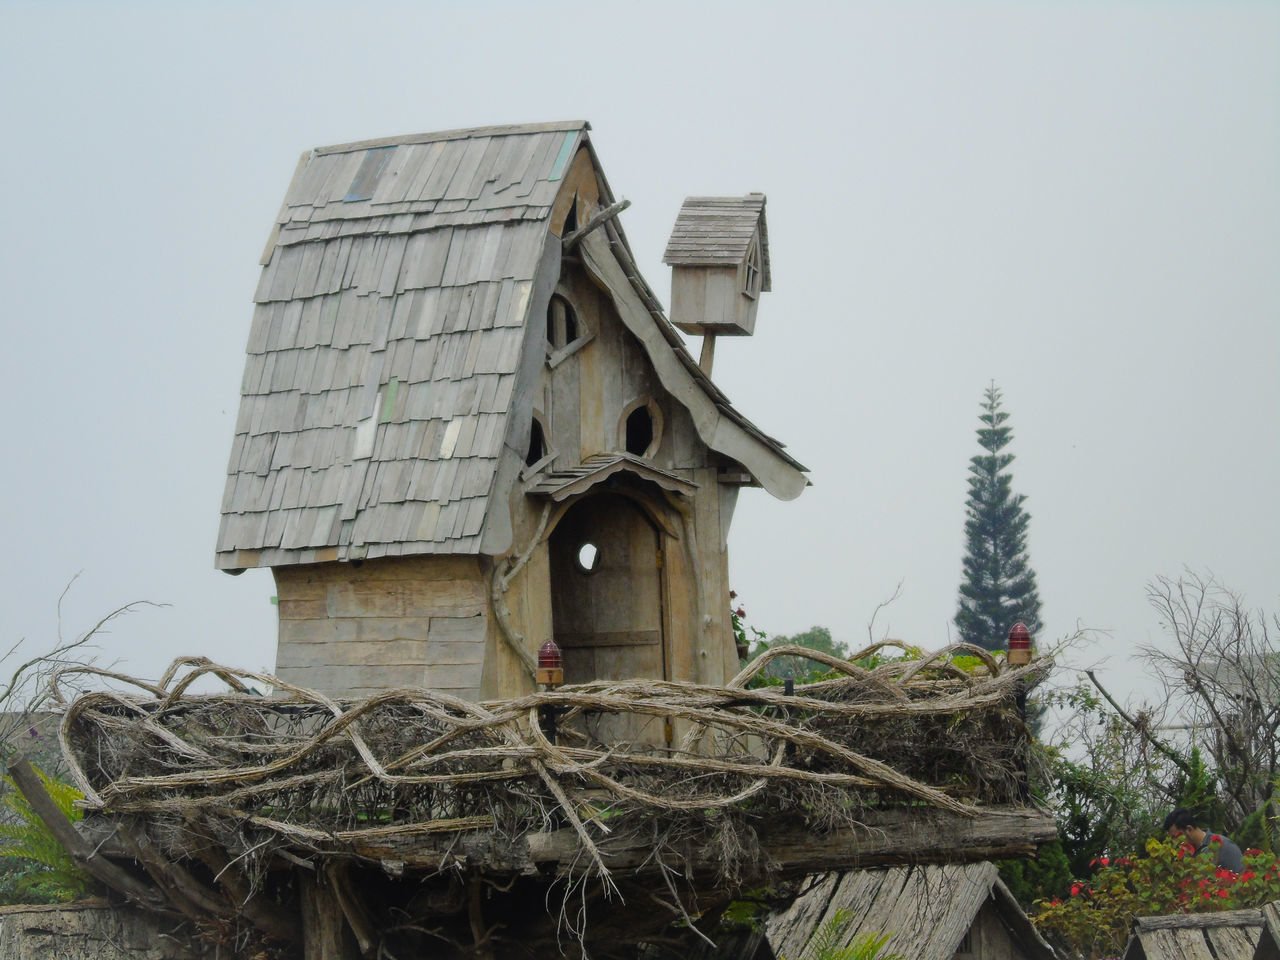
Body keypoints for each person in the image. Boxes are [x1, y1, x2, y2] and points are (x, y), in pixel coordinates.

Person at [1162, 808, 1245, 872]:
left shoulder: (1223, 845)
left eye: (1176, 836)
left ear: (1189, 829)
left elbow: (1243, 879)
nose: (1175, 842)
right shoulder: (1185, 856)